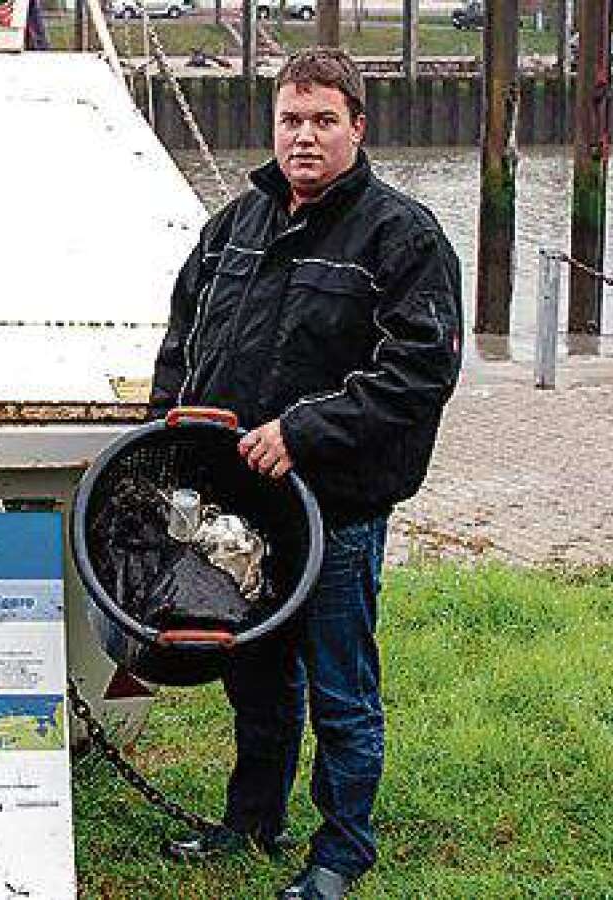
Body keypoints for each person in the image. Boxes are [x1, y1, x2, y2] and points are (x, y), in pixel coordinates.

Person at [150, 47, 462, 899]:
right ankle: (252, 820)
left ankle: (342, 849)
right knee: (255, 678)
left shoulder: (404, 237)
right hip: (240, 510)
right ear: (273, 125)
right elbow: (183, 337)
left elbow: (420, 369)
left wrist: (306, 430)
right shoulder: (233, 224)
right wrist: (164, 437)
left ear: (358, 127)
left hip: (337, 508)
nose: (305, 137)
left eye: (325, 120)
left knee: (340, 689)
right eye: (291, 119)